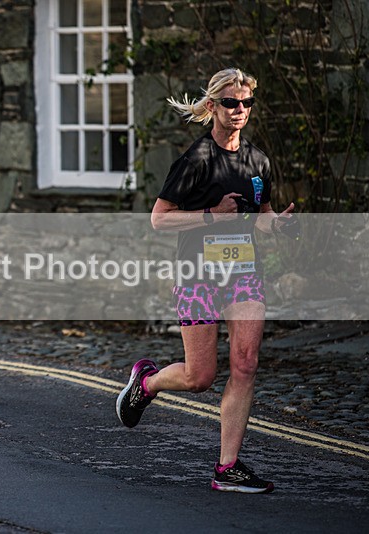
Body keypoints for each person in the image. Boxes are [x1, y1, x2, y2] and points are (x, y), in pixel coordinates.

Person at [115, 68, 295, 493]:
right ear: (213, 106)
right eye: (231, 103)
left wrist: (277, 226)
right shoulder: (196, 160)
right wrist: (213, 216)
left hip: (244, 274)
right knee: (200, 377)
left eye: (246, 103)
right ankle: (147, 382)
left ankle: (226, 467)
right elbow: (158, 219)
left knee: (246, 363)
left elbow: (262, 217)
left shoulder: (257, 161)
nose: (240, 111)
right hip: (198, 275)